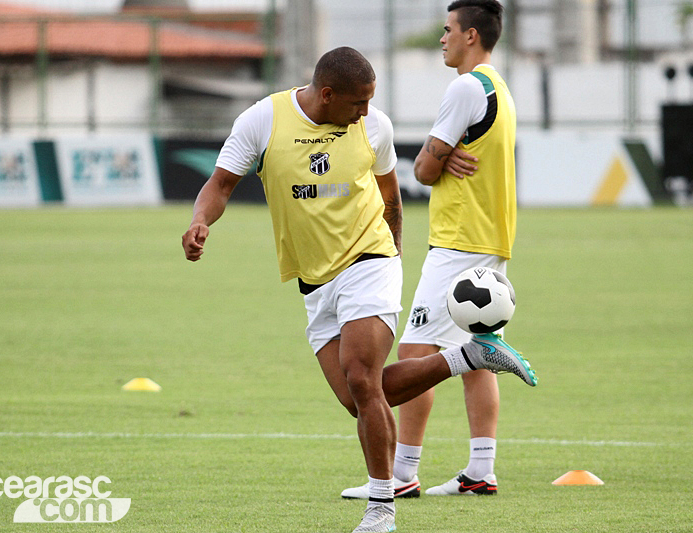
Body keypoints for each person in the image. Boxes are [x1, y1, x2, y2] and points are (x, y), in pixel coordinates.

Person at [182, 46, 534, 533]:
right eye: (357, 103)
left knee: (363, 378)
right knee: (357, 398)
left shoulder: (375, 126)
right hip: (313, 281)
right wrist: (200, 221)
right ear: (326, 95)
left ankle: (382, 509)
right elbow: (219, 185)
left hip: (370, 262)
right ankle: (469, 357)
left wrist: (391, 259)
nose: (366, 112)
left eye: (371, 101)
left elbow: (390, 194)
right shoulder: (262, 121)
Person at [341, 0, 532, 501]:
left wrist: (439, 160)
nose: (441, 39)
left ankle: (402, 473)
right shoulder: (500, 88)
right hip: (492, 238)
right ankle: (480, 469)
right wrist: (443, 156)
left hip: (459, 241)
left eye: (448, 30)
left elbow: (423, 170)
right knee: (480, 355)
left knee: (416, 351)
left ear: (471, 35)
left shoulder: (466, 87)